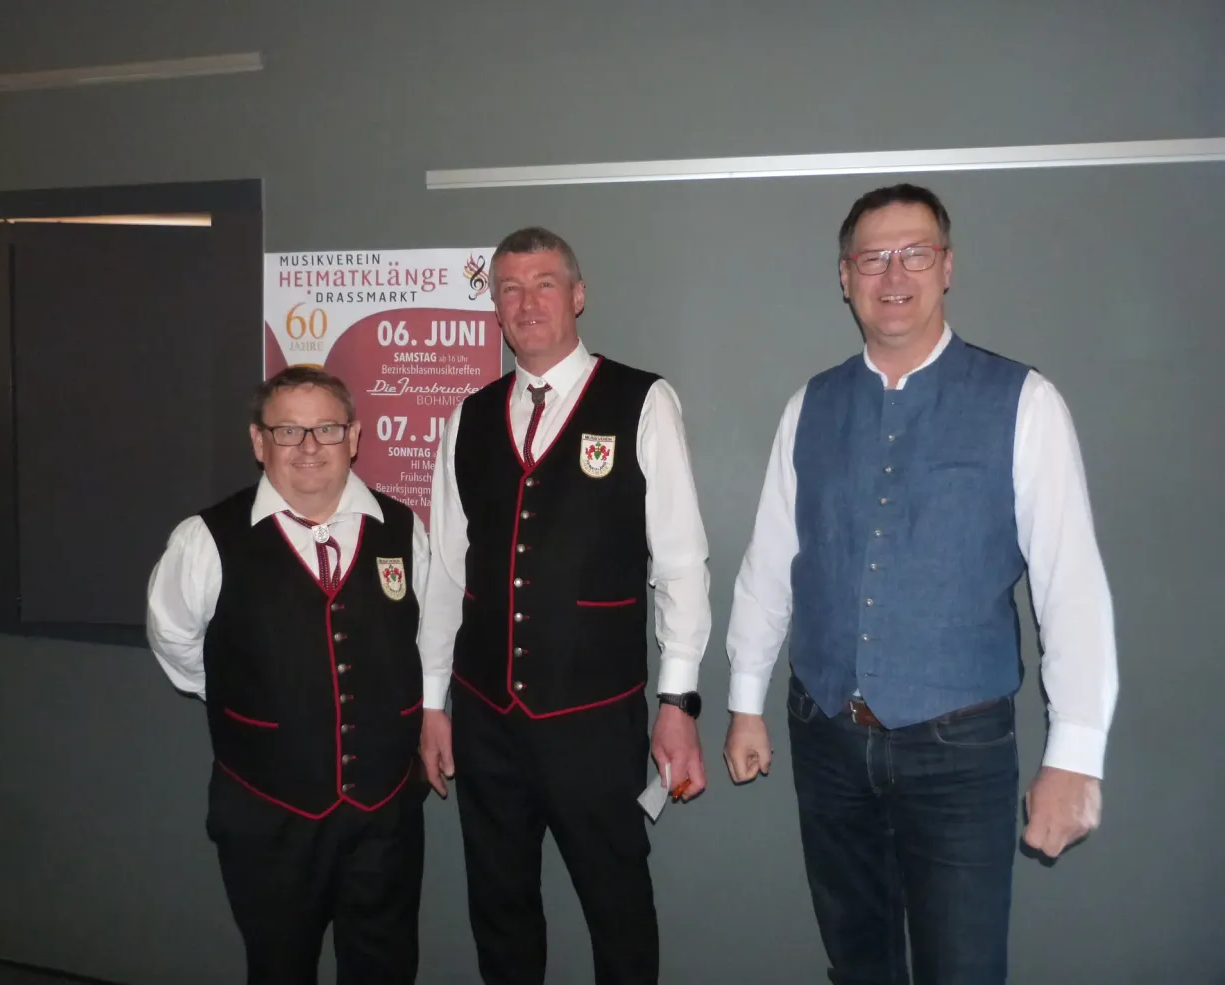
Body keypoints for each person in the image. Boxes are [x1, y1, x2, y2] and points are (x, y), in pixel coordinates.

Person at [723, 184, 1118, 985]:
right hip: (827, 734)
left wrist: (1076, 753)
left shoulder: (1024, 403)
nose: (892, 273)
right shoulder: (811, 407)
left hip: (959, 751)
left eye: (915, 252)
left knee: (962, 968)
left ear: (947, 267)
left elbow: (1071, 584)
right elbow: (771, 562)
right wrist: (743, 700)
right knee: (858, 962)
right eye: (872, 257)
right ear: (845, 276)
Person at [417, 226, 712, 985]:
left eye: (544, 282)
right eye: (509, 288)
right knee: (501, 907)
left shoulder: (642, 400)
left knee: (618, 909)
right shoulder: (467, 417)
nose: (527, 301)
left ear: (577, 295)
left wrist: (678, 699)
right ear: (495, 308)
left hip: (594, 720)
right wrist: (432, 703)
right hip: (486, 718)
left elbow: (681, 562)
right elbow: (447, 570)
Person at [146, 366, 430, 985]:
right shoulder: (205, 541)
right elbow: (175, 642)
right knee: (278, 969)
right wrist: (254, 701)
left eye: (326, 429)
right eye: (288, 431)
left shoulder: (404, 530)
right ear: (259, 442)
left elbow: (421, 641)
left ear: (353, 437)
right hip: (267, 812)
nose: (308, 447)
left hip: (384, 812)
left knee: (386, 968)